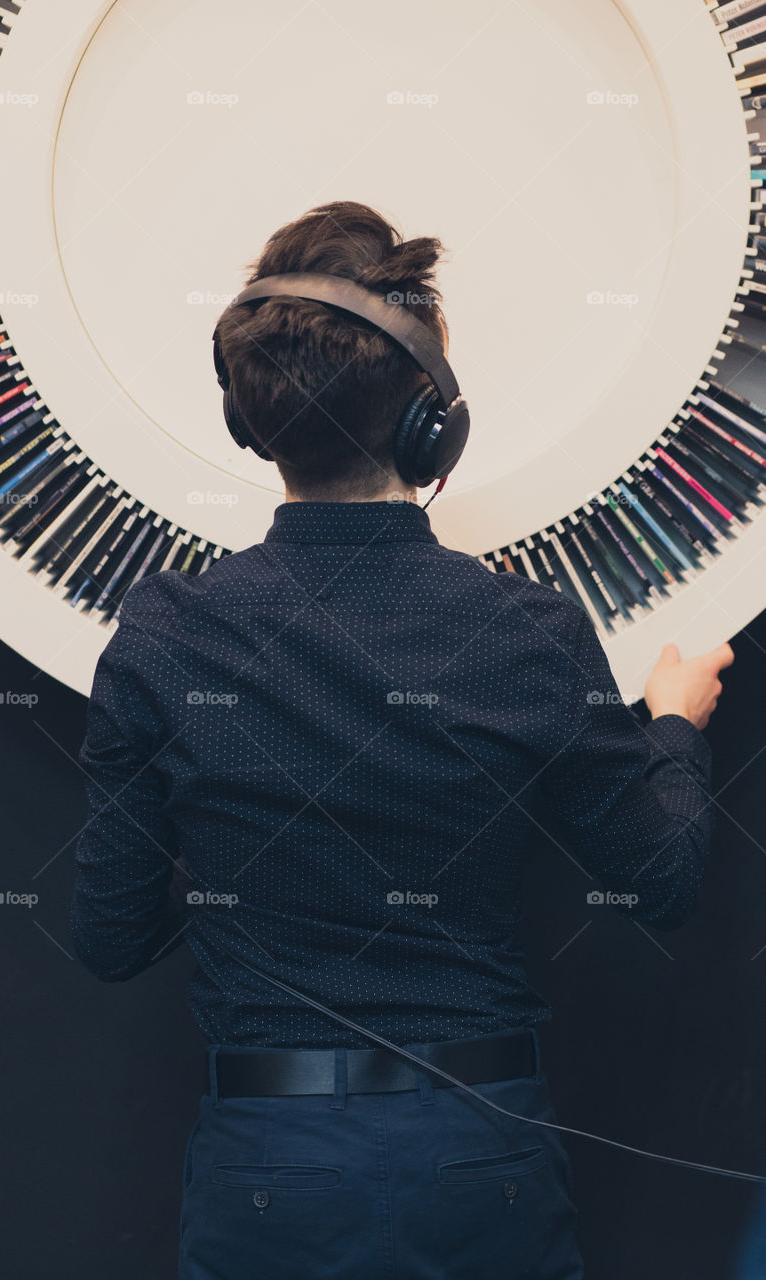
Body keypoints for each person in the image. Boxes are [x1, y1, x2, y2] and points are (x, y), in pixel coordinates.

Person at [68, 200, 734, 1279]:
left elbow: (109, 934)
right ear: (432, 425)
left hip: (266, 1161)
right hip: (478, 1152)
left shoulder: (165, 633)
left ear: (249, 420)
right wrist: (669, 722)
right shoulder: (525, 630)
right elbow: (658, 876)